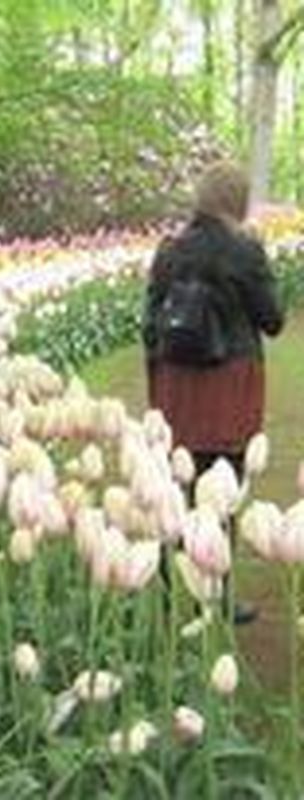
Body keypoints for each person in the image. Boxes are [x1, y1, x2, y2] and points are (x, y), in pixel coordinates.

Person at [143, 160, 285, 625]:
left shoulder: (171, 249)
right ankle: (220, 598)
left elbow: (149, 324)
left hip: (175, 384)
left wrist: (160, 382)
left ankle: (165, 593)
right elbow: (273, 319)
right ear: (238, 202)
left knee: (175, 489)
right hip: (227, 382)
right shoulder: (244, 251)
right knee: (221, 486)